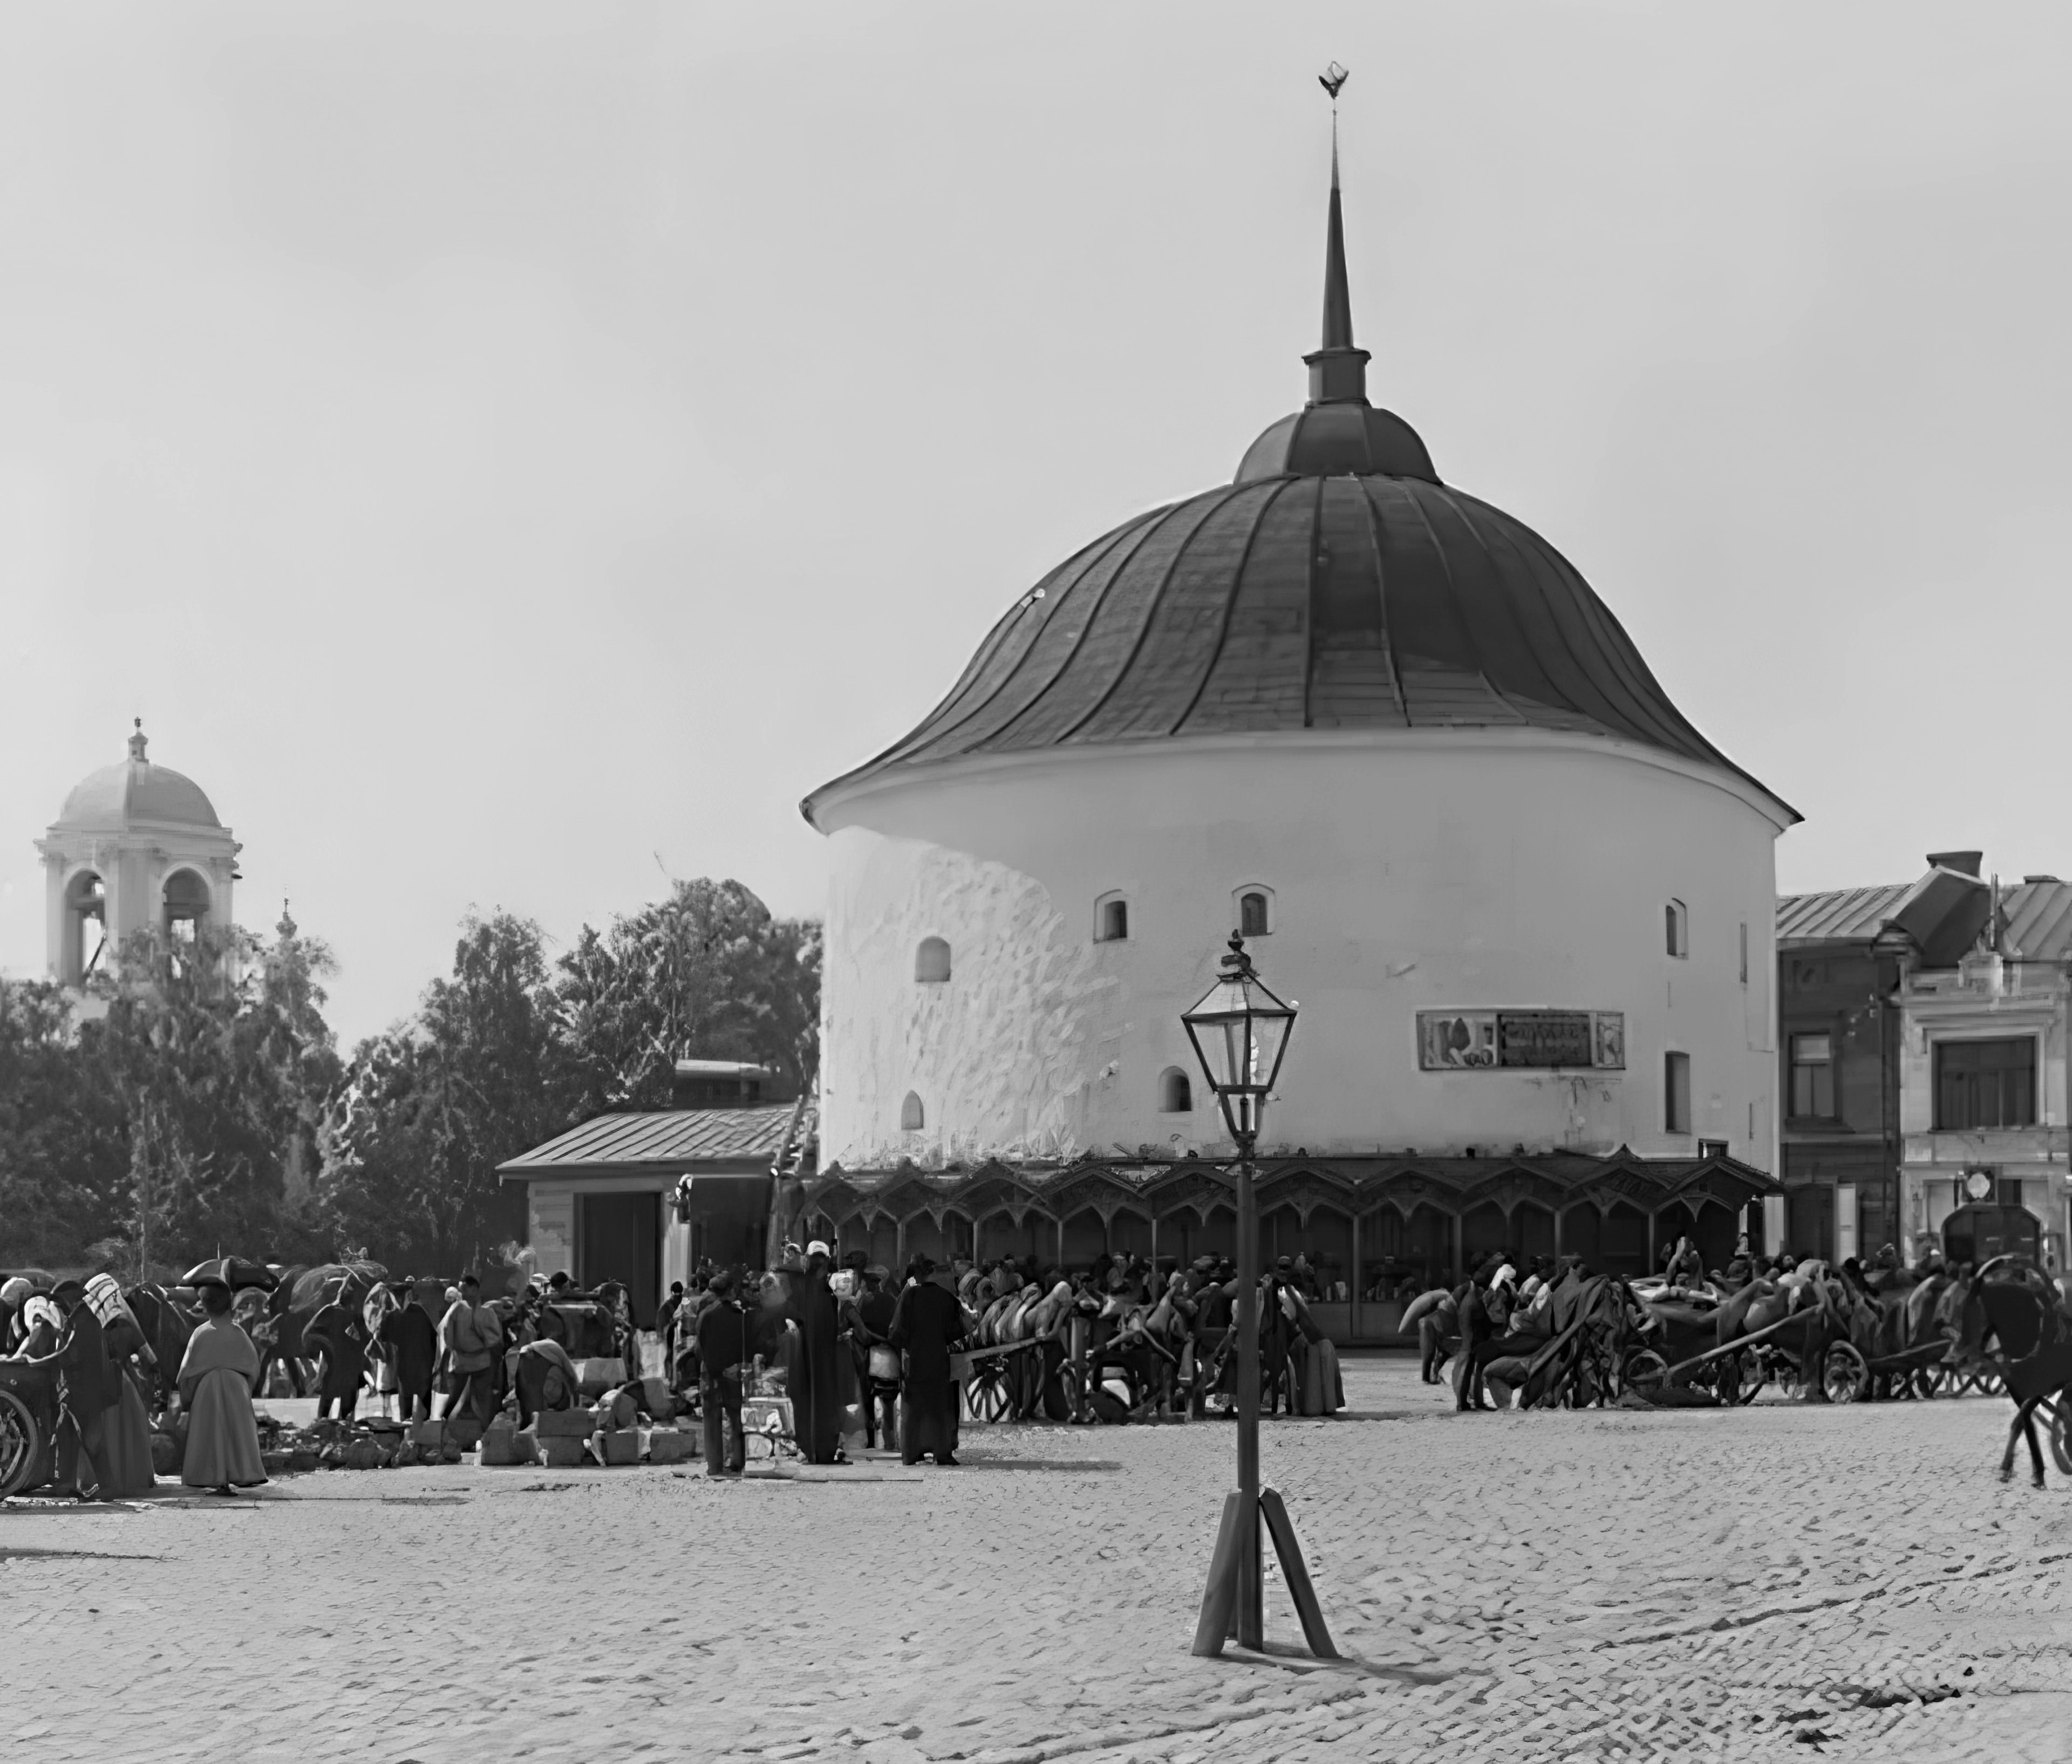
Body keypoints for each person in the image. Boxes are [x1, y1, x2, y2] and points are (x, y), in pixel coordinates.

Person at [175, 1275, 267, 1494]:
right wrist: (246, 1390)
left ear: (205, 1306)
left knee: (211, 1432)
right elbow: (254, 1368)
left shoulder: (201, 1334)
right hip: (237, 1389)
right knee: (236, 1432)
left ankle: (216, 1479)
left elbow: (185, 1374)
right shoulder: (239, 1333)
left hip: (207, 1390)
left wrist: (188, 1399)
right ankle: (239, 1474)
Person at [889, 1255, 964, 1466]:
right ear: (934, 1274)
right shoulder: (946, 1298)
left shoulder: (908, 1296)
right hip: (938, 1359)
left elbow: (895, 1332)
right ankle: (942, 1452)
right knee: (940, 1407)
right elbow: (956, 1331)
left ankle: (912, 1453)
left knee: (914, 1408)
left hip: (914, 1360)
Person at [783, 1241, 847, 1465]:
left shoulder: (825, 1291)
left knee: (821, 1402)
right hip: (809, 1359)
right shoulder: (807, 1289)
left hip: (822, 1360)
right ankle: (813, 1449)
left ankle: (821, 1449)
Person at [694, 1270, 751, 1477]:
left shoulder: (705, 1315)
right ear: (730, 1290)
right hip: (732, 1375)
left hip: (709, 1374)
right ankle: (737, 1462)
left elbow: (699, 1348)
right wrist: (735, 1367)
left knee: (711, 1422)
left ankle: (714, 1465)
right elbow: (743, 1346)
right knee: (736, 1420)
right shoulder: (738, 1317)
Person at [440, 1275, 499, 1427]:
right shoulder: (460, 1310)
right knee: (460, 1399)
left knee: (477, 1401)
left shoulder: (482, 1312)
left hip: (472, 1363)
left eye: (464, 1289)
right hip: (468, 1363)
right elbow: (447, 1334)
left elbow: (448, 1337)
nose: (462, 1292)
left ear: (474, 1289)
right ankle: (445, 1432)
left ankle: (482, 1433)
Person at [306, 1286, 370, 1423]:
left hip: (332, 1367)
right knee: (346, 1416)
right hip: (350, 1372)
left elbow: (312, 1334)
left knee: (325, 1410)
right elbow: (364, 1344)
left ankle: (321, 1431)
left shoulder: (328, 1312)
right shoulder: (356, 1318)